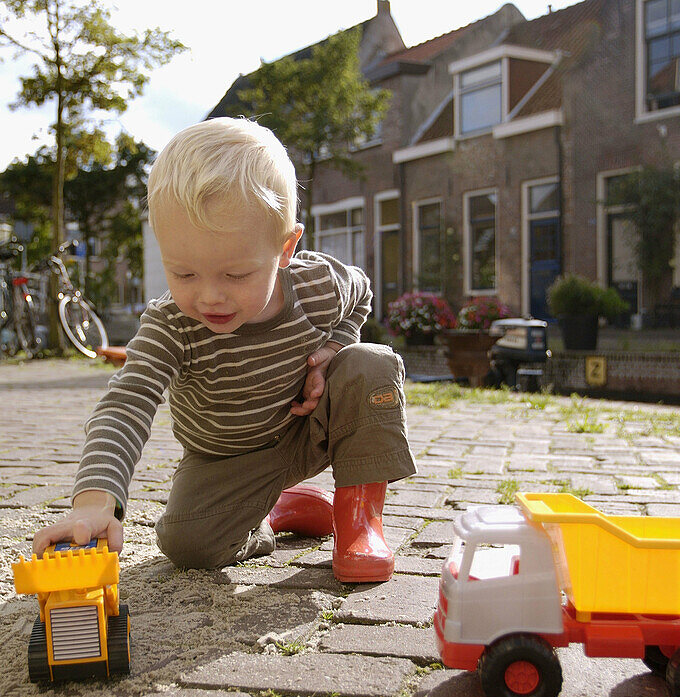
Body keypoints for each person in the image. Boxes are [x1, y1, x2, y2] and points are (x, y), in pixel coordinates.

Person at [33, 117, 416, 583]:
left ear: (286, 247)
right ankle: (271, 513)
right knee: (187, 544)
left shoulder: (318, 284)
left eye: (236, 275)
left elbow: (362, 293)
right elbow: (126, 403)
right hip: (226, 459)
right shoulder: (171, 324)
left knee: (371, 363)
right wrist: (96, 502)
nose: (210, 296)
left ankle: (358, 522)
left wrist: (335, 346)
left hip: (308, 429)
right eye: (185, 274)